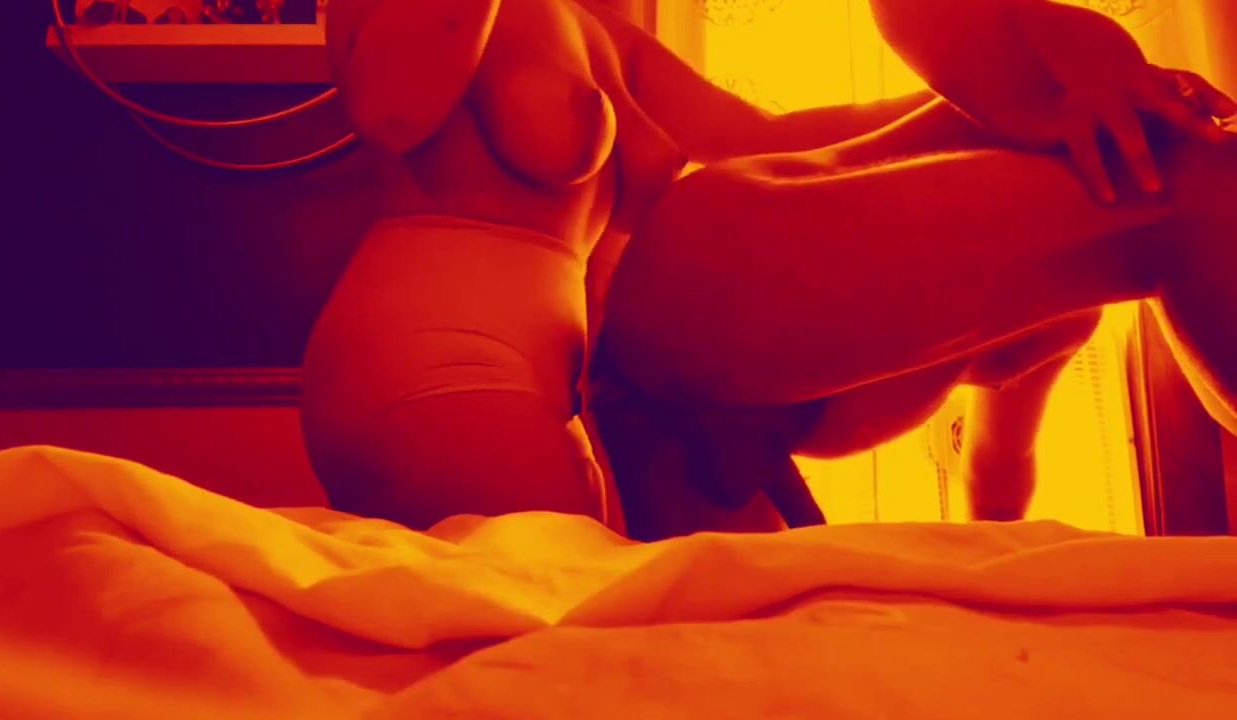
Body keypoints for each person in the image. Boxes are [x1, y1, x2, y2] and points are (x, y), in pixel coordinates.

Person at [592, 0, 1237, 540]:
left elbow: (998, 485)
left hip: (720, 351)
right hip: (700, 275)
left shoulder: (1056, 299)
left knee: (1161, 162)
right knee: (1176, 171)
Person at [299, 0, 932, 531]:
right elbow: (393, 109)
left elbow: (770, 139)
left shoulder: (602, 30)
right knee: (550, 604)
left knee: (587, 617)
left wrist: (964, 107)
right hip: (429, 364)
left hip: (548, 388)